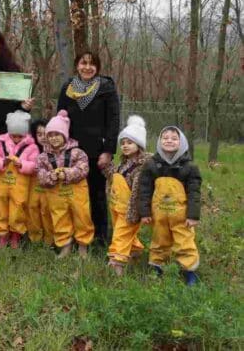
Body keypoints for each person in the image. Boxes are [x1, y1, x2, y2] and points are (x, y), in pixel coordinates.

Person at [57, 51, 120, 246]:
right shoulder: (67, 87)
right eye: (83, 63)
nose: (87, 67)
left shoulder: (106, 87)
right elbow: (61, 117)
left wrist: (108, 150)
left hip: (96, 150)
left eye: (92, 64)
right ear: (77, 65)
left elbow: (113, 120)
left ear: (98, 67)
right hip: (72, 151)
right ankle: (74, 235)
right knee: (73, 195)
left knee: (96, 194)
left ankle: (100, 237)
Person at [138, 126, 202, 286]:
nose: (169, 140)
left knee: (185, 242)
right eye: (165, 137)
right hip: (159, 215)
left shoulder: (190, 167)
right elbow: (144, 189)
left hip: (181, 217)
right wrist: (144, 212)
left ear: (182, 143)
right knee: (159, 241)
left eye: (174, 138)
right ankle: (157, 268)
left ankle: (189, 271)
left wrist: (193, 216)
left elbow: (194, 193)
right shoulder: (151, 165)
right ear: (159, 142)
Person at [36, 110, 93, 258]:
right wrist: (51, 176)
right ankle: (65, 246)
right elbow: (40, 175)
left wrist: (67, 173)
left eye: (57, 134)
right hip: (56, 195)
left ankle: (83, 247)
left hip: (77, 193)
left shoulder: (77, 152)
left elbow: (83, 168)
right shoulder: (43, 157)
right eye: (50, 135)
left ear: (65, 135)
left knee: (82, 217)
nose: (53, 138)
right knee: (60, 219)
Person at [104, 115, 148, 276]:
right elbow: (114, 178)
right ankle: (135, 251)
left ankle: (117, 264)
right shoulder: (123, 163)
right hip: (117, 206)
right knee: (123, 232)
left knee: (120, 235)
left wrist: (138, 211)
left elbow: (138, 191)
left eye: (129, 142)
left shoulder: (141, 167)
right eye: (122, 143)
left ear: (139, 144)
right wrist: (106, 168)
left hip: (130, 209)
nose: (125, 146)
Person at [0, 111, 39, 249]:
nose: (16, 138)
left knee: (18, 209)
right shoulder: (1, 142)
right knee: (0, 208)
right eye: (13, 135)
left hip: (20, 186)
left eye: (19, 136)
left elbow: (35, 166)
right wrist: (1, 162)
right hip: (1, 184)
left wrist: (22, 164)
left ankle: (15, 236)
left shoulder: (32, 147)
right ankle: (2, 236)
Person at [27, 118, 53, 245]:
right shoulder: (31, 149)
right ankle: (35, 237)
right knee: (32, 208)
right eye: (39, 134)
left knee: (46, 210)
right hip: (33, 184)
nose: (43, 137)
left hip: (48, 187)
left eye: (45, 134)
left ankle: (49, 239)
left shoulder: (54, 151)